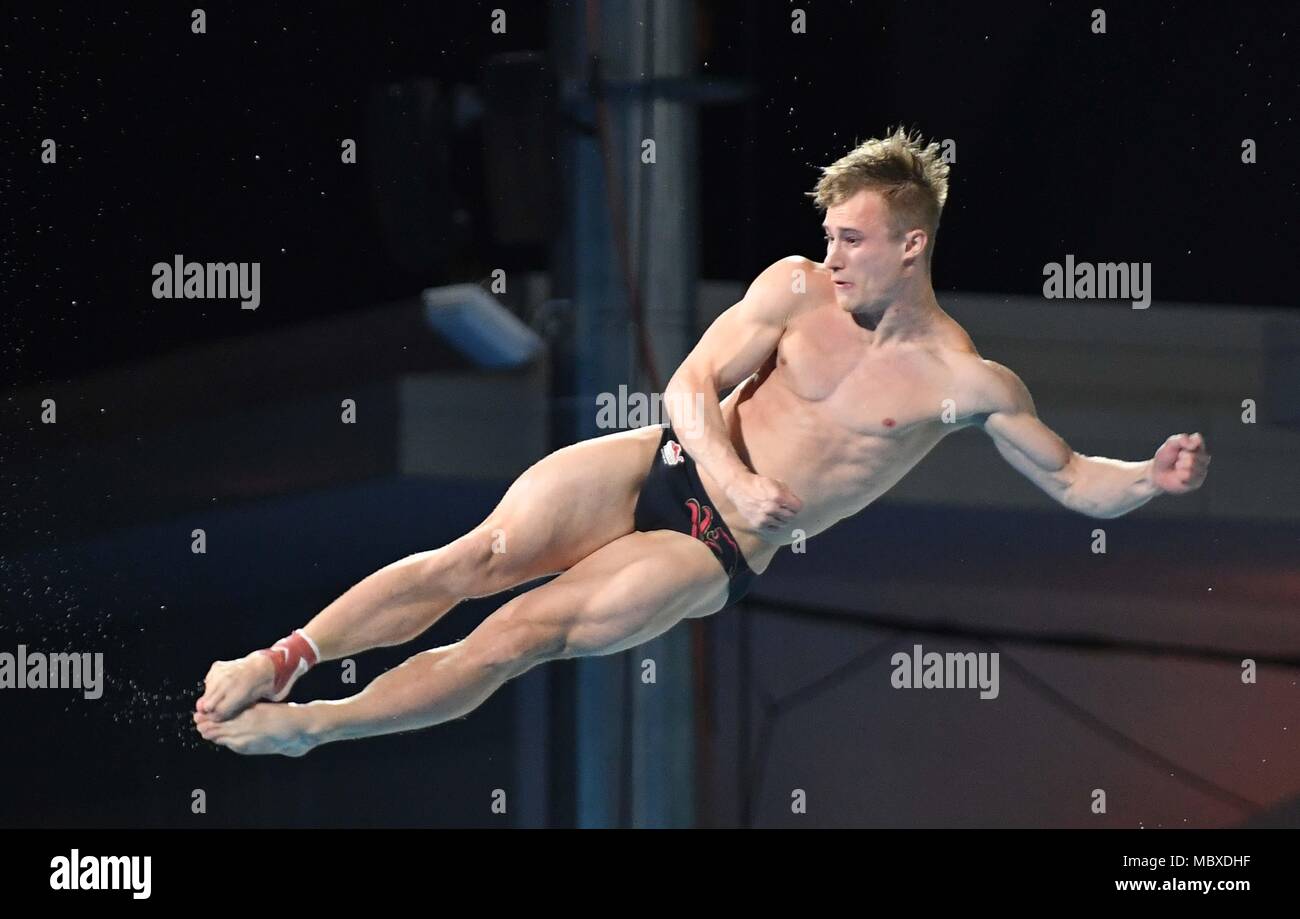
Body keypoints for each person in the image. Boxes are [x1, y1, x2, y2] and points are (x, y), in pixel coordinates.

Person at [194, 127, 1210, 756]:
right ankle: (287, 654)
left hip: (708, 547)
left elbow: (1076, 481)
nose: (831, 256)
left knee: (513, 636)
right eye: (827, 236)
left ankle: (313, 726)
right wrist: (724, 463)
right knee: (476, 557)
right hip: (664, 456)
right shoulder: (790, 288)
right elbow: (687, 384)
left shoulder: (965, 382)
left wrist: (1149, 482)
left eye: (850, 240)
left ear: (911, 245)